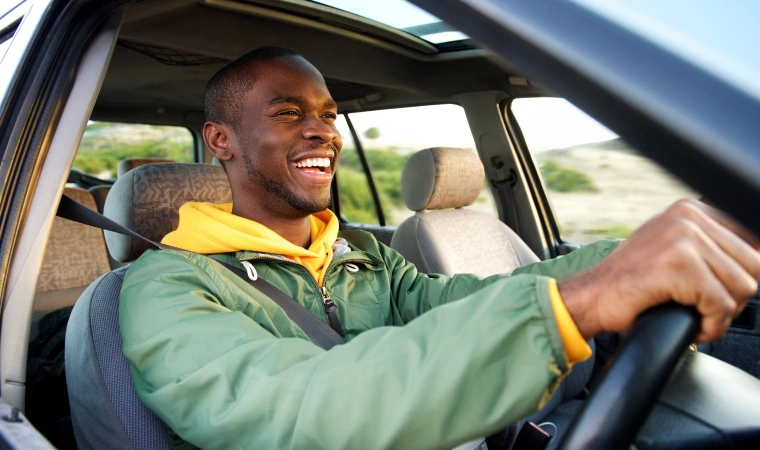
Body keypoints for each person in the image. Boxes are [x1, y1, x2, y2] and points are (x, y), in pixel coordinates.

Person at [119, 46, 760, 450]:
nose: (322, 130)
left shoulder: (364, 258)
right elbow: (297, 410)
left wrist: (633, 256)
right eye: (289, 113)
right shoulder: (170, 287)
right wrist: (580, 303)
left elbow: (471, 300)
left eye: (328, 113)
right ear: (220, 140)